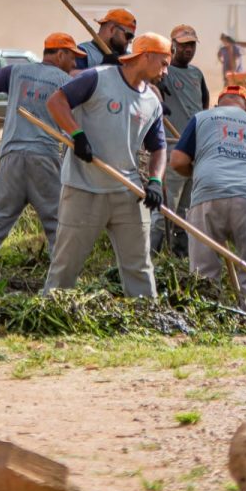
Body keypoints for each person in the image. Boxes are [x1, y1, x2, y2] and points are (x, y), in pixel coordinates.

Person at [42, 32, 170, 297]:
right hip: (84, 188)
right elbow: (56, 102)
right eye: (163, 63)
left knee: (140, 265)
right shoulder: (98, 78)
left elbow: (159, 147)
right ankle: (52, 308)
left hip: (128, 191)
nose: (166, 71)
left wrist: (155, 181)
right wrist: (77, 134)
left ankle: (146, 315)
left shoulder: (151, 102)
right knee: (66, 263)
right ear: (146, 56)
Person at [0, 33, 86, 273]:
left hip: (12, 155)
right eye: (73, 58)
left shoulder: (16, 72)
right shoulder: (66, 82)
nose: (74, 64)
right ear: (61, 54)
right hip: (45, 158)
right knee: (57, 220)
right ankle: (62, 279)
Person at [170, 84, 246, 325]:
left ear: (218, 104)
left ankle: (206, 322)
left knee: (204, 270)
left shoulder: (203, 117)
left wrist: (200, 173)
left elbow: (177, 161)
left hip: (207, 196)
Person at [150, 24, 210, 257]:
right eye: (184, 44)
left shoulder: (196, 74)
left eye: (192, 44)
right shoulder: (162, 71)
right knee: (166, 207)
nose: (188, 49)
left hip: (195, 150)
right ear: (172, 45)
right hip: (173, 148)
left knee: (187, 208)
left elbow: (203, 105)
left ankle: (179, 254)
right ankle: (152, 255)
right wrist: (157, 83)